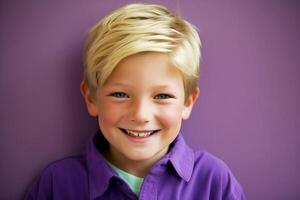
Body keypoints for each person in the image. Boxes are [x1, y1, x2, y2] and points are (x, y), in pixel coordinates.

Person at [25, 3, 246, 200]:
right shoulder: (57, 184)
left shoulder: (213, 181)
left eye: (162, 96)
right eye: (120, 94)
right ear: (91, 98)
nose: (140, 115)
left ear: (187, 103)